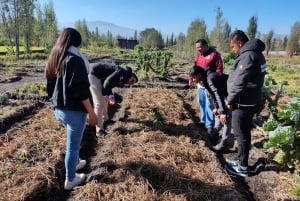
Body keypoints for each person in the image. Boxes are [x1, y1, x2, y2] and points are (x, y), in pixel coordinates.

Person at [45, 28, 98, 190]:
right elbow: (80, 91)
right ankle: (70, 179)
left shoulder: (56, 58)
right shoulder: (75, 60)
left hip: (59, 110)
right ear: (78, 43)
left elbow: (49, 86)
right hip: (74, 111)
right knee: (72, 146)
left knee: (73, 141)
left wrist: (55, 104)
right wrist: (91, 113)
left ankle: (74, 162)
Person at [224, 30, 266, 177]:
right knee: (244, 133)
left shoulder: (248, 56)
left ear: (240, 43)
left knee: (241, 134)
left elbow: (240, 82)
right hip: (250, 100)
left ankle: (242, 167)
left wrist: (230, 100)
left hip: (243, 102)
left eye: (233, 46)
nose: (233, 49)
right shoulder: (257, 54)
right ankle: (240, 159)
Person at [88, 62, 138, 138]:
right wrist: (108, 95)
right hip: (93, 74)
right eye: (133, 80)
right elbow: (107, 83)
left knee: (105, 100)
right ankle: (99, 130)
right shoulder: (122, 73)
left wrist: (108, 95)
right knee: (99, 103)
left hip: (98, 76)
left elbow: (109, 84)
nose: (130, 83)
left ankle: (106, 119)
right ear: (132, 75)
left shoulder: (122, 76)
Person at [188, 39, 224, 144]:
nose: (198, 49)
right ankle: (203, 121)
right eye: (197, 48)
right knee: (202, 102)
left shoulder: (214, 54)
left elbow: (219, 69)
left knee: (209, 104)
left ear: (205, 46)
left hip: (209, 84)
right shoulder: (198, 56)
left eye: (199, 47)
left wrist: (215, 81)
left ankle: (209, 125)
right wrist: (191, 79)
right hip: (200, 84)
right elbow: (193, 68)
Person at [189, 66, 231, 150]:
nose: (193, 80)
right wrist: (216, 107)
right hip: (223, 94)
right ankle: (214, 135)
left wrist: (223, 112)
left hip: (231, 94)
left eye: (194, 77)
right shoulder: (204, 79)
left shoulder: (210, 79)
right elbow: (213, 94)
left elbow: (218, 95)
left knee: (227, 118)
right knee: (217, 113)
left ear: (199, 75)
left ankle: (224, 143)